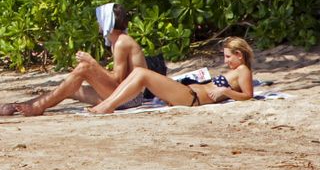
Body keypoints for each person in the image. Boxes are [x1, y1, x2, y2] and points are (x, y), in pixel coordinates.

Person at [0, 4, 157, 116]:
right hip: (124, 95)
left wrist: (92, 63)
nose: (98, 24)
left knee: (84, 68)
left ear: (107, 21)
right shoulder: (117, 42)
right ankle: (18, 106)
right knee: (68, 89)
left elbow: (118, 79)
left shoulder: (122, 42)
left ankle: (37, 107)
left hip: (130, 99)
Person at [90, 37, 255, 114]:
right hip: (188, 94)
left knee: (141, 73)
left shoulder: (243, 71)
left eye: (228, 57)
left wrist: (225, 92)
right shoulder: (236, 71)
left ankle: (108, 106)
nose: (225, 61)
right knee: (138, 73)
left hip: (192, 98)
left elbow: (248, 96)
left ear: (239, 54)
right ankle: (108, 104)